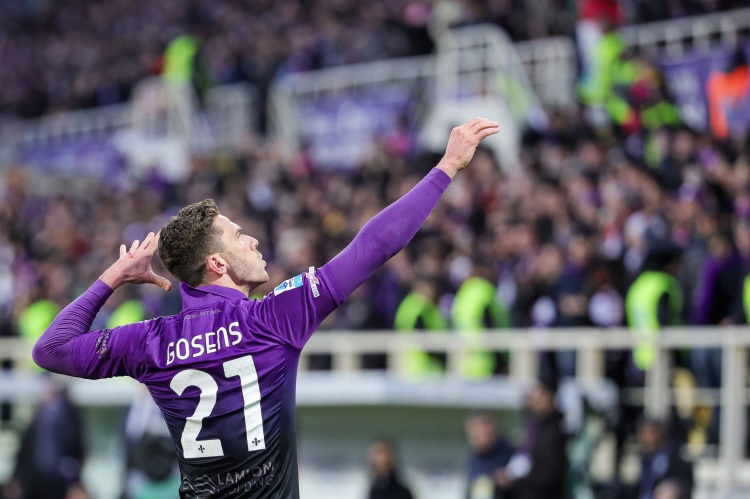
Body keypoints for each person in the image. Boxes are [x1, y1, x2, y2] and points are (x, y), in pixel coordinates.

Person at [31, 118, 500, 498]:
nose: (253, 240)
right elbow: (373, 246)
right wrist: (446, 168)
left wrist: (113, 276)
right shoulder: (273, 318)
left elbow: (49, 350)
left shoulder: (150, 340)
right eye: (238, 236)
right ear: (217, 263)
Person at [497, 379, 568, 499]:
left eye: (538, 398)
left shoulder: (556, 430)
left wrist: (514, 481)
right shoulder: (534, 426)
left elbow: (548, 475)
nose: (533, 403)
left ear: (551, 397)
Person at [465, 412, 515, 499]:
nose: (474, 439)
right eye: (473, 435)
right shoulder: (475, 457)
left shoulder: (508, 454)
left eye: (478, 434)